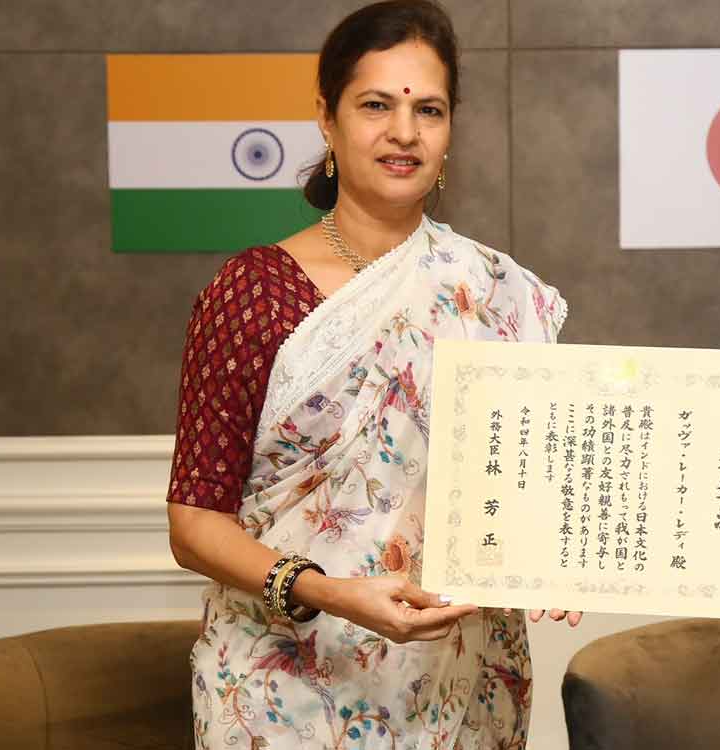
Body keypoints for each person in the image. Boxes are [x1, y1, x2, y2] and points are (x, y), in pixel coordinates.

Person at [166, 3, 577, 747]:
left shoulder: (491, 290)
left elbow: (527, 486)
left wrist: (557, 558)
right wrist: (328, 592)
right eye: (376, 105)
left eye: (429, 109)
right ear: (326, 118)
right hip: (284, 685)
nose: (404, 132)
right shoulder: (255, 291)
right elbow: (194, 526)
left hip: (463, 682)